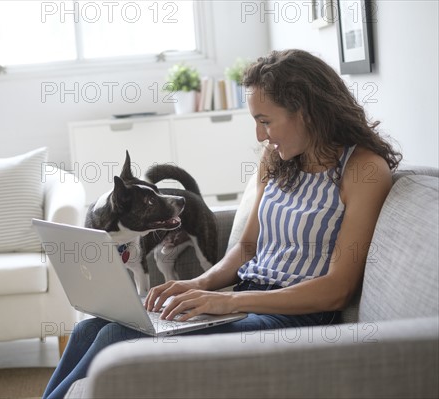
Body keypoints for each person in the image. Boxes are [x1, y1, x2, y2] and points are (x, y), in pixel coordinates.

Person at [42, 49, 402, 399]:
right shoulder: (278, 159)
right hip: (247, 301)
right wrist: (195, 285)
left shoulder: (363, 169)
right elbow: (245, 249)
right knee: (89, 329)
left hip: (294, 322)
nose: (261, 136)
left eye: (265, 121)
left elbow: (337, 290)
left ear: (306, 112)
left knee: (115, 337)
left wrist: (225, 302)